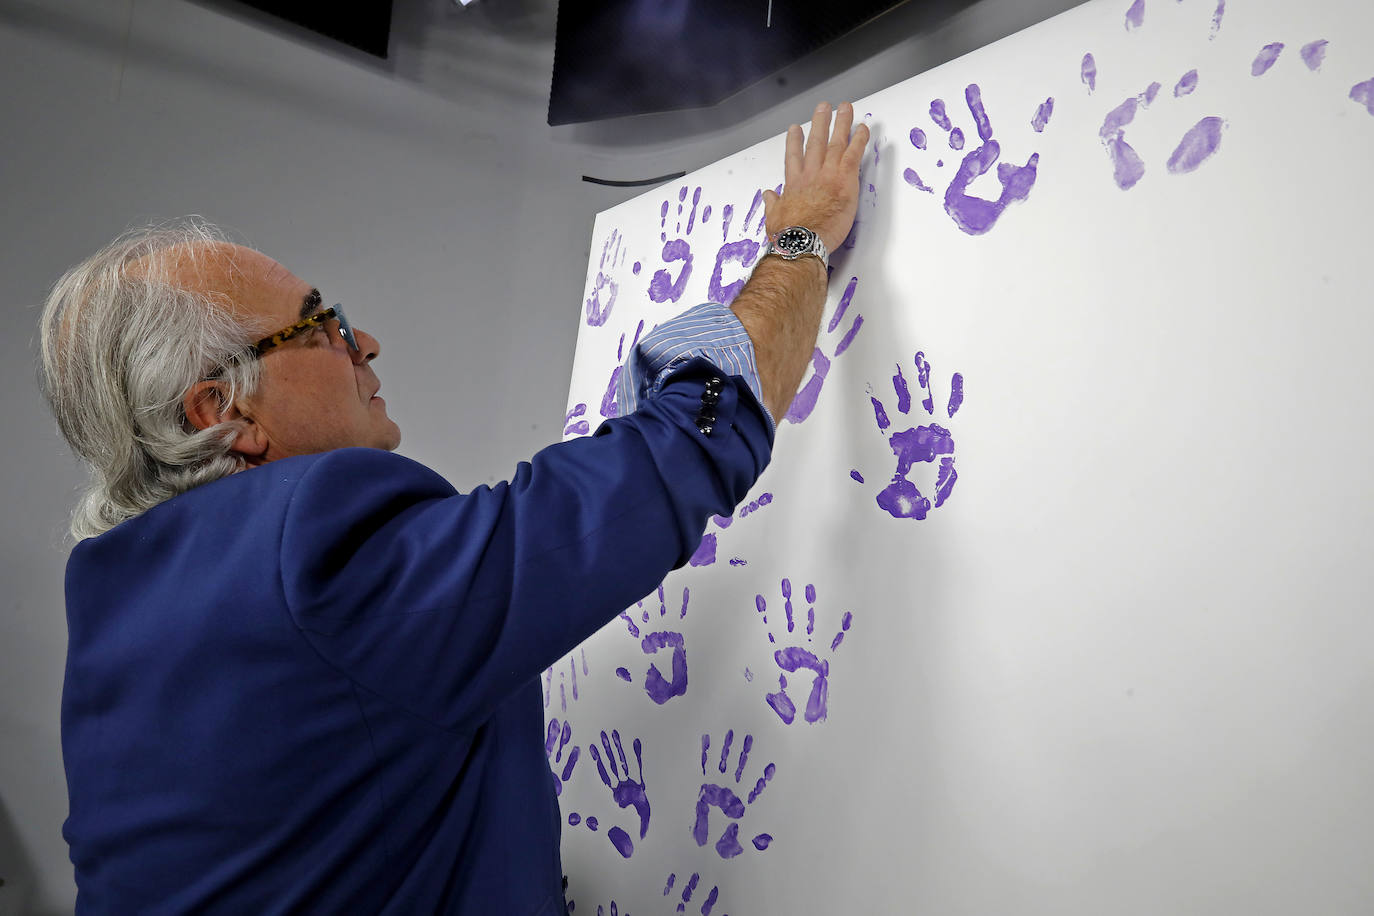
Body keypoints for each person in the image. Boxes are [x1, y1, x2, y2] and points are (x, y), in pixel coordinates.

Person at [40, 101, 868, 914]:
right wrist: (799, 242)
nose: (361, 345)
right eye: (319, 324)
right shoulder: (313, 547)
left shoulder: (112, 597)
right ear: (225, 413)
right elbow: (681, 451)